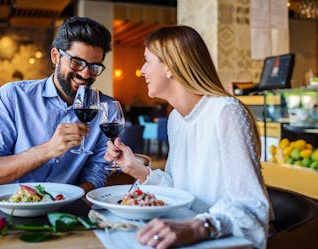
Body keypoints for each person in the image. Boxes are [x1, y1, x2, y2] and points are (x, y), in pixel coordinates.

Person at [104, 26, 271, 249]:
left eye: (147, 60)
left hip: (222, 241)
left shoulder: (226, 111)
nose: (142, 70)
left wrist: (198, 227)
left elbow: (253, 207)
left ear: (171, 66)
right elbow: (179, 191)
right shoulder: (175, 119)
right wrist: (136, 168)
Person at [0, 16, 115, 194]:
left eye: (94, 67)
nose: (86, 74)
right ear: (55, 56)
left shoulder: (106, 109)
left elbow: (95, 175)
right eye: (77, 62)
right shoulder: (13, 96)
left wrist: (67, 204)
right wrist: (48, 149)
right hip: (12, 208)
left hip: (69, 212)